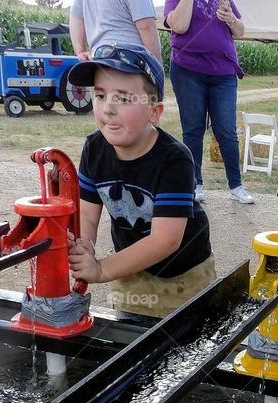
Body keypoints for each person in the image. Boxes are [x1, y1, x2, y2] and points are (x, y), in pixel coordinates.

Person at [67, 45, 215, 318]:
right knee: (132, 342)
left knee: (186, 347)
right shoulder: (94, 149)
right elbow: (87, 213)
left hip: (186, 274)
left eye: (123, 99)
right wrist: (84, 244)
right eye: (100, 95)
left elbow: (165, 241)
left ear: (154, 112)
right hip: (131, 268)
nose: (108, 109)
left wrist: (101, 269)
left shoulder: (175, 159)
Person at [163, 0, 255, 204]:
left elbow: (240, 31)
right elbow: (179, 26)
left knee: (226, 131)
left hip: (223, 72)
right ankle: (195, 185)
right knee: (193, 129)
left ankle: (236, 186)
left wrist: (231, 19)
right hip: (187, 70)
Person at [70, 0, 163, 63]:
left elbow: (76, 16)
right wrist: (157, 71)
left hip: (98, 61)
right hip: (130, 62)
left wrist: (81, 51)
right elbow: (146, 27)